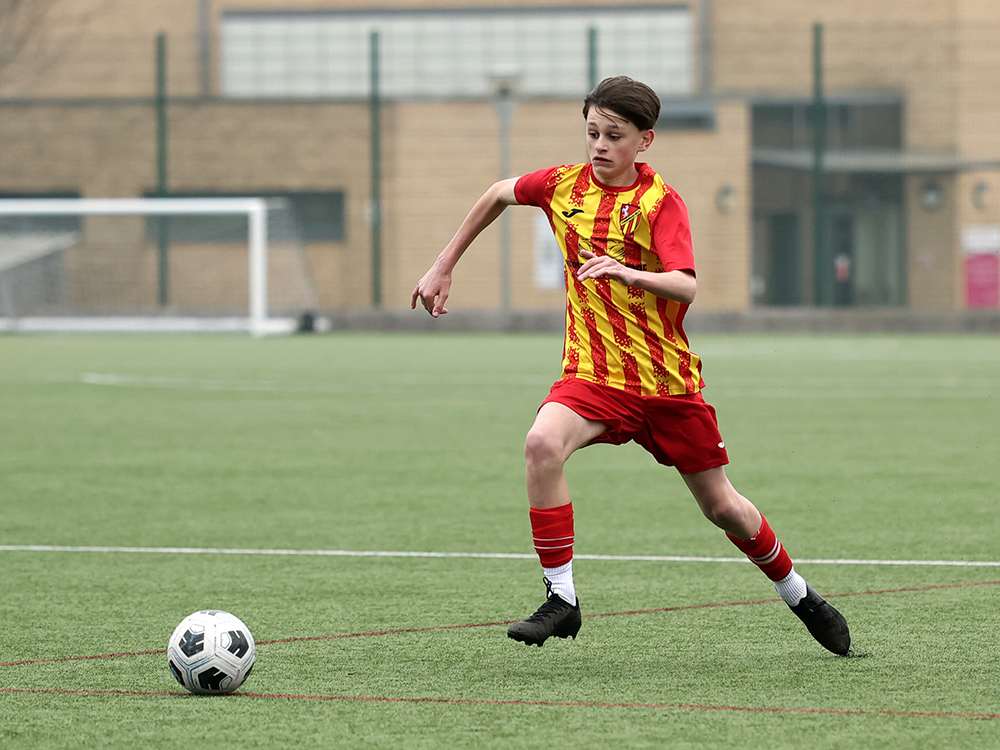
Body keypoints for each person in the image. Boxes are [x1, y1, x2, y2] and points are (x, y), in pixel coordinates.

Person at [410, 76, 850, 655]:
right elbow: (498, 193)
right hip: (593, 377)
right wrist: (443, 265)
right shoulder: (561, 186)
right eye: (592, 132)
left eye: (614, 135)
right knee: (541, 444)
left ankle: (799, 593)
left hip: (666, 384)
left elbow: (686, 285)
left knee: (722, 507)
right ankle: (561, 599)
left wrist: (627, 272)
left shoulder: (660, 203)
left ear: (644, 140)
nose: (599, 145)